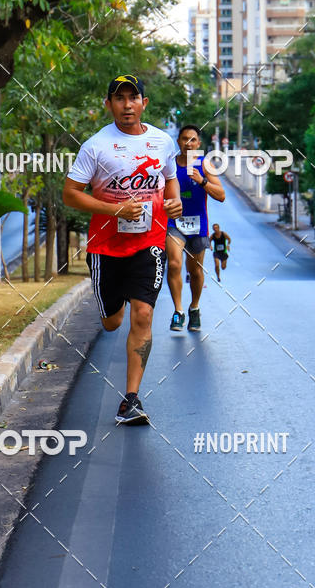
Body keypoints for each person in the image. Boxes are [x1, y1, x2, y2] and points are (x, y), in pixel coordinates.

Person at [63, 74, 182, 425]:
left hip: (150, 243)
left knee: (143, 315)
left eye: (133, 97)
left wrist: (173, 203)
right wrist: (113, 209)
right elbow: (70, 194)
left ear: (144, 103)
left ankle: (131, 399)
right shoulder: (95, 147)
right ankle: (119, 302)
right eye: (119, 98)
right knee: (113, 322)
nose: (127, 104)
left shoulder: (162, 142)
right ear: (109, 104)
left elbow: (170, 178)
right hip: (106, 248)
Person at [166, 125, 225, 331]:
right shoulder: (170, 165)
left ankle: (194, 308)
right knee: (174, 264)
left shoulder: (204, 165)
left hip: (198, 224)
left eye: (192, 140)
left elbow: (221, 195)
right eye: (184, 139)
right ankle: (178, 310)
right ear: (178, 141)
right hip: (174, 222)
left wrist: (202, 181)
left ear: (198, 144)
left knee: (195, 271)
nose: (188, 143)